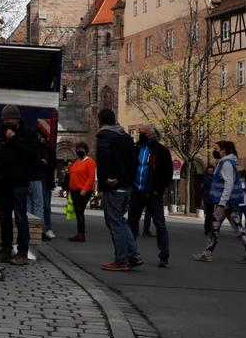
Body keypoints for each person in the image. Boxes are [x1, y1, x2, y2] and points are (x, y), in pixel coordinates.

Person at [193, 140, 246, 263]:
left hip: (225, 203)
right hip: (230, 202)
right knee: (238, 227)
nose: (214, 151)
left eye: (216, 149)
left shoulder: (226, 163)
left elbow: (229, 183)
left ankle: (207, 253)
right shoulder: (227, 162)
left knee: (215, 227)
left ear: (223, 150)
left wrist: (222, 203)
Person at [95, 108, 141, 271]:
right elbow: (135, 160)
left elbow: (103, 158)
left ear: (100, 120)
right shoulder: (126, 137)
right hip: (127, 185)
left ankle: (121, 259)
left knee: (114, 222)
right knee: (120, 221)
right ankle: (133, 254)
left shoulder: (105, 136)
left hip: (114, 186)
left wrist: (105, 179)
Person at [0, 104, 40, 266]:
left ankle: (22, 252)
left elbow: (31, 155)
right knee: (4, 217)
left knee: (20, 217)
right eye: (4, 119)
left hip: (20, 181)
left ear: (16, 118)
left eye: (9, 119)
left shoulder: (28, 133)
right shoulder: (1, 131)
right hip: (3, 181)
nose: (6, 122)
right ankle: (5, 249)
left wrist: (14, 139)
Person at [128, 124, 173, 267]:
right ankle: (131, 254)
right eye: (139, 132)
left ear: (151, 134)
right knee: (131, 223)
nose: (139, 134)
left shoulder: (161, 151)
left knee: (159, 224)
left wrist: (157, 190)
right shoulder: (136, 149)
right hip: (137, 191)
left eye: (142, 132)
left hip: (152, 193)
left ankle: (164, 255)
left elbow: (167, 173)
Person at [66, 143, 96, 242]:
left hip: (83, 191)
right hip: (74, 190)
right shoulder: (76, 161)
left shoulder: (90, 161)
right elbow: (72, 173)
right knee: (79, 212)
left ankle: (81, 234)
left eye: (82, 149)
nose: (80, 150)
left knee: (79, 212)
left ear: (86, 150)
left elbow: (91, 177)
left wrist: (85, 189)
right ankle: (80, 233)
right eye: (78, 148)